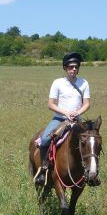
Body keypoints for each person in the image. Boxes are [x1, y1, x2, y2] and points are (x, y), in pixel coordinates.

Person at [35, 52, 91, 185]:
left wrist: (77, 113)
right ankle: (44, 170)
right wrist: (65, 113)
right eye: (71, 67)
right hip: (60, 119)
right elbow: (51, 104)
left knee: (91, 141)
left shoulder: (84, 83)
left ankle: (90, 173)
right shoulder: (58, 83)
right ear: (65, 68)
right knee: (45, 140)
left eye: (76, 67)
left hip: (77, 120)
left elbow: (87, 103)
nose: (74, 69)